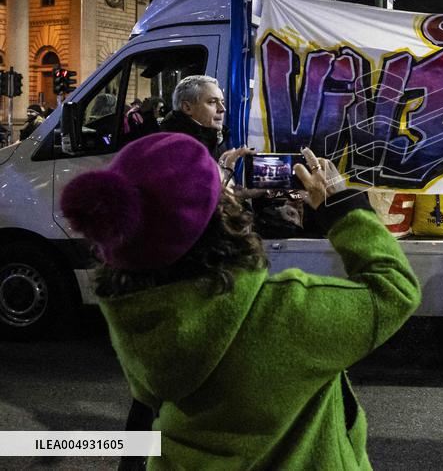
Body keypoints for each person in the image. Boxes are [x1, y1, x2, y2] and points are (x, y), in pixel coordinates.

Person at [59, 133, 420, 469]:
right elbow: (394, 289)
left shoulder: (136, 315)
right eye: (221, 187)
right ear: (221, 217)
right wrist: (343, 207)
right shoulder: (287, 314)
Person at [159, 75, 251, 173]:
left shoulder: (214, 137)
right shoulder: (175, 147)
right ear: (187, 107)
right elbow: (199, 187)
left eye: (222, 102)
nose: (222, 109)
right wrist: (226, 170)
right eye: (212, 102)